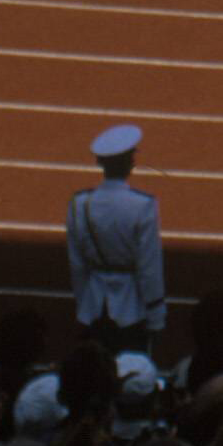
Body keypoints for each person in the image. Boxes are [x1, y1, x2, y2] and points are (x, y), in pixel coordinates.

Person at [65, 122, 164, 333]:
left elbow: (77, 264)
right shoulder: (143, 205)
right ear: (130, 161)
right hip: (131, 310)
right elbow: (149, 267)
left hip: (92, 307)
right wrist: (156, 316)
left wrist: (84, 305)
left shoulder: (80, 204)